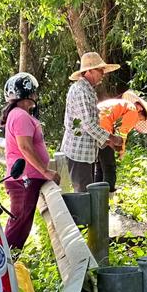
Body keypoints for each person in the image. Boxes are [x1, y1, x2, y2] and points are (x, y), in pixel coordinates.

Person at [0, 72, 60, 250]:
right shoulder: (21, 116)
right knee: (18, 228)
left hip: (25, 179)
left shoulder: (18, 114)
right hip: (23, 180)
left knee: (20, 226)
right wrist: (46, 171)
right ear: (29, 93)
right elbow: (25, 147)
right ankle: (2, 269)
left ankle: (7, 267)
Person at [60, 52, 123, 192]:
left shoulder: (88, 90)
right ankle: (82, 214)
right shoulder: (81, 90)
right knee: (83, 194)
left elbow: (88, 125)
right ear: (89, 71)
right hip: (78, 152)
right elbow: (88, 124)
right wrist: (112, 138)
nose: (102, 74)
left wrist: (108, 142)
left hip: (85, 152)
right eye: (100, 70)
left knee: (87, 191)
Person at [95, 90, 147, 192]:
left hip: (95, 126)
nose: (137, 121)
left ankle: (96, 193)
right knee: (109, 166)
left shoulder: (124, 105)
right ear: (140, 109)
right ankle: (108, 194)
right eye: (141, 119)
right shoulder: (133, 110)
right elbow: (123, 133)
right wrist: (121, 150)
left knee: (100, 166)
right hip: (104, 129)